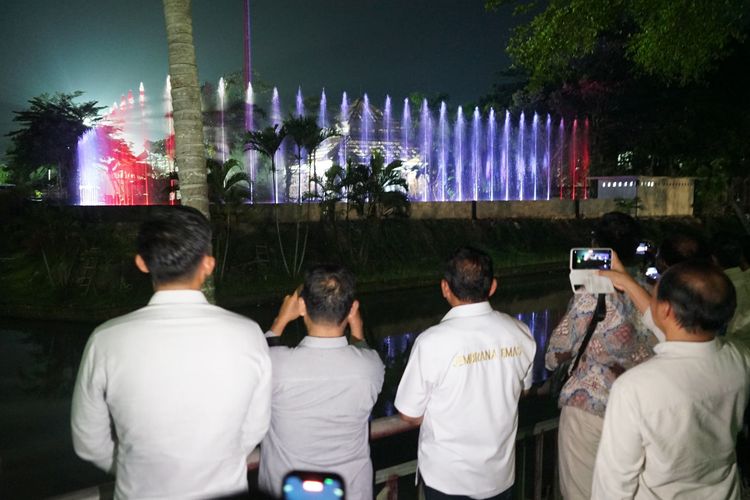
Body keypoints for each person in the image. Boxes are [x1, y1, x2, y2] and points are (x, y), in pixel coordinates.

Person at [71, 206, 271, 499]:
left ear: (141, 263)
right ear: (208, 264)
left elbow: (88, 442)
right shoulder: (249, 333)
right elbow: (256, 428)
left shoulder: (106, 340)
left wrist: (135, 468)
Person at [592, 260, 750, 499]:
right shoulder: (740, 359)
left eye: (654, 296)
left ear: (666, 310)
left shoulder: (634, 388)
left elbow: (613, 483)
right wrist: (627, 281)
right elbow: (677, 336)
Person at [394, 246, 536, 500]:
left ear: (445, 288)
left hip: (447, 479)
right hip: (499, 476)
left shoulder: (431, 342)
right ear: (492, 287)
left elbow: (409, 413)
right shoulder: (521, 332)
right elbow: (524, 389)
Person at [546, 211, 657, 500]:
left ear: (595, 246)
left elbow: (557, 350)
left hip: (589, 407)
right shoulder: (649, 294)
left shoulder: (593, 293)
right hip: (639, 410)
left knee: (582, 491)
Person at [258, 265, 385, 500]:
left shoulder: (276, 364)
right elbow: (362, 349)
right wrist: (356, 327)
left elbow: (260, 357)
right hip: (350, 492)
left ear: (302, 306)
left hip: (287, 491)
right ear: (352, 309)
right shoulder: (370, 367)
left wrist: (280, 319)